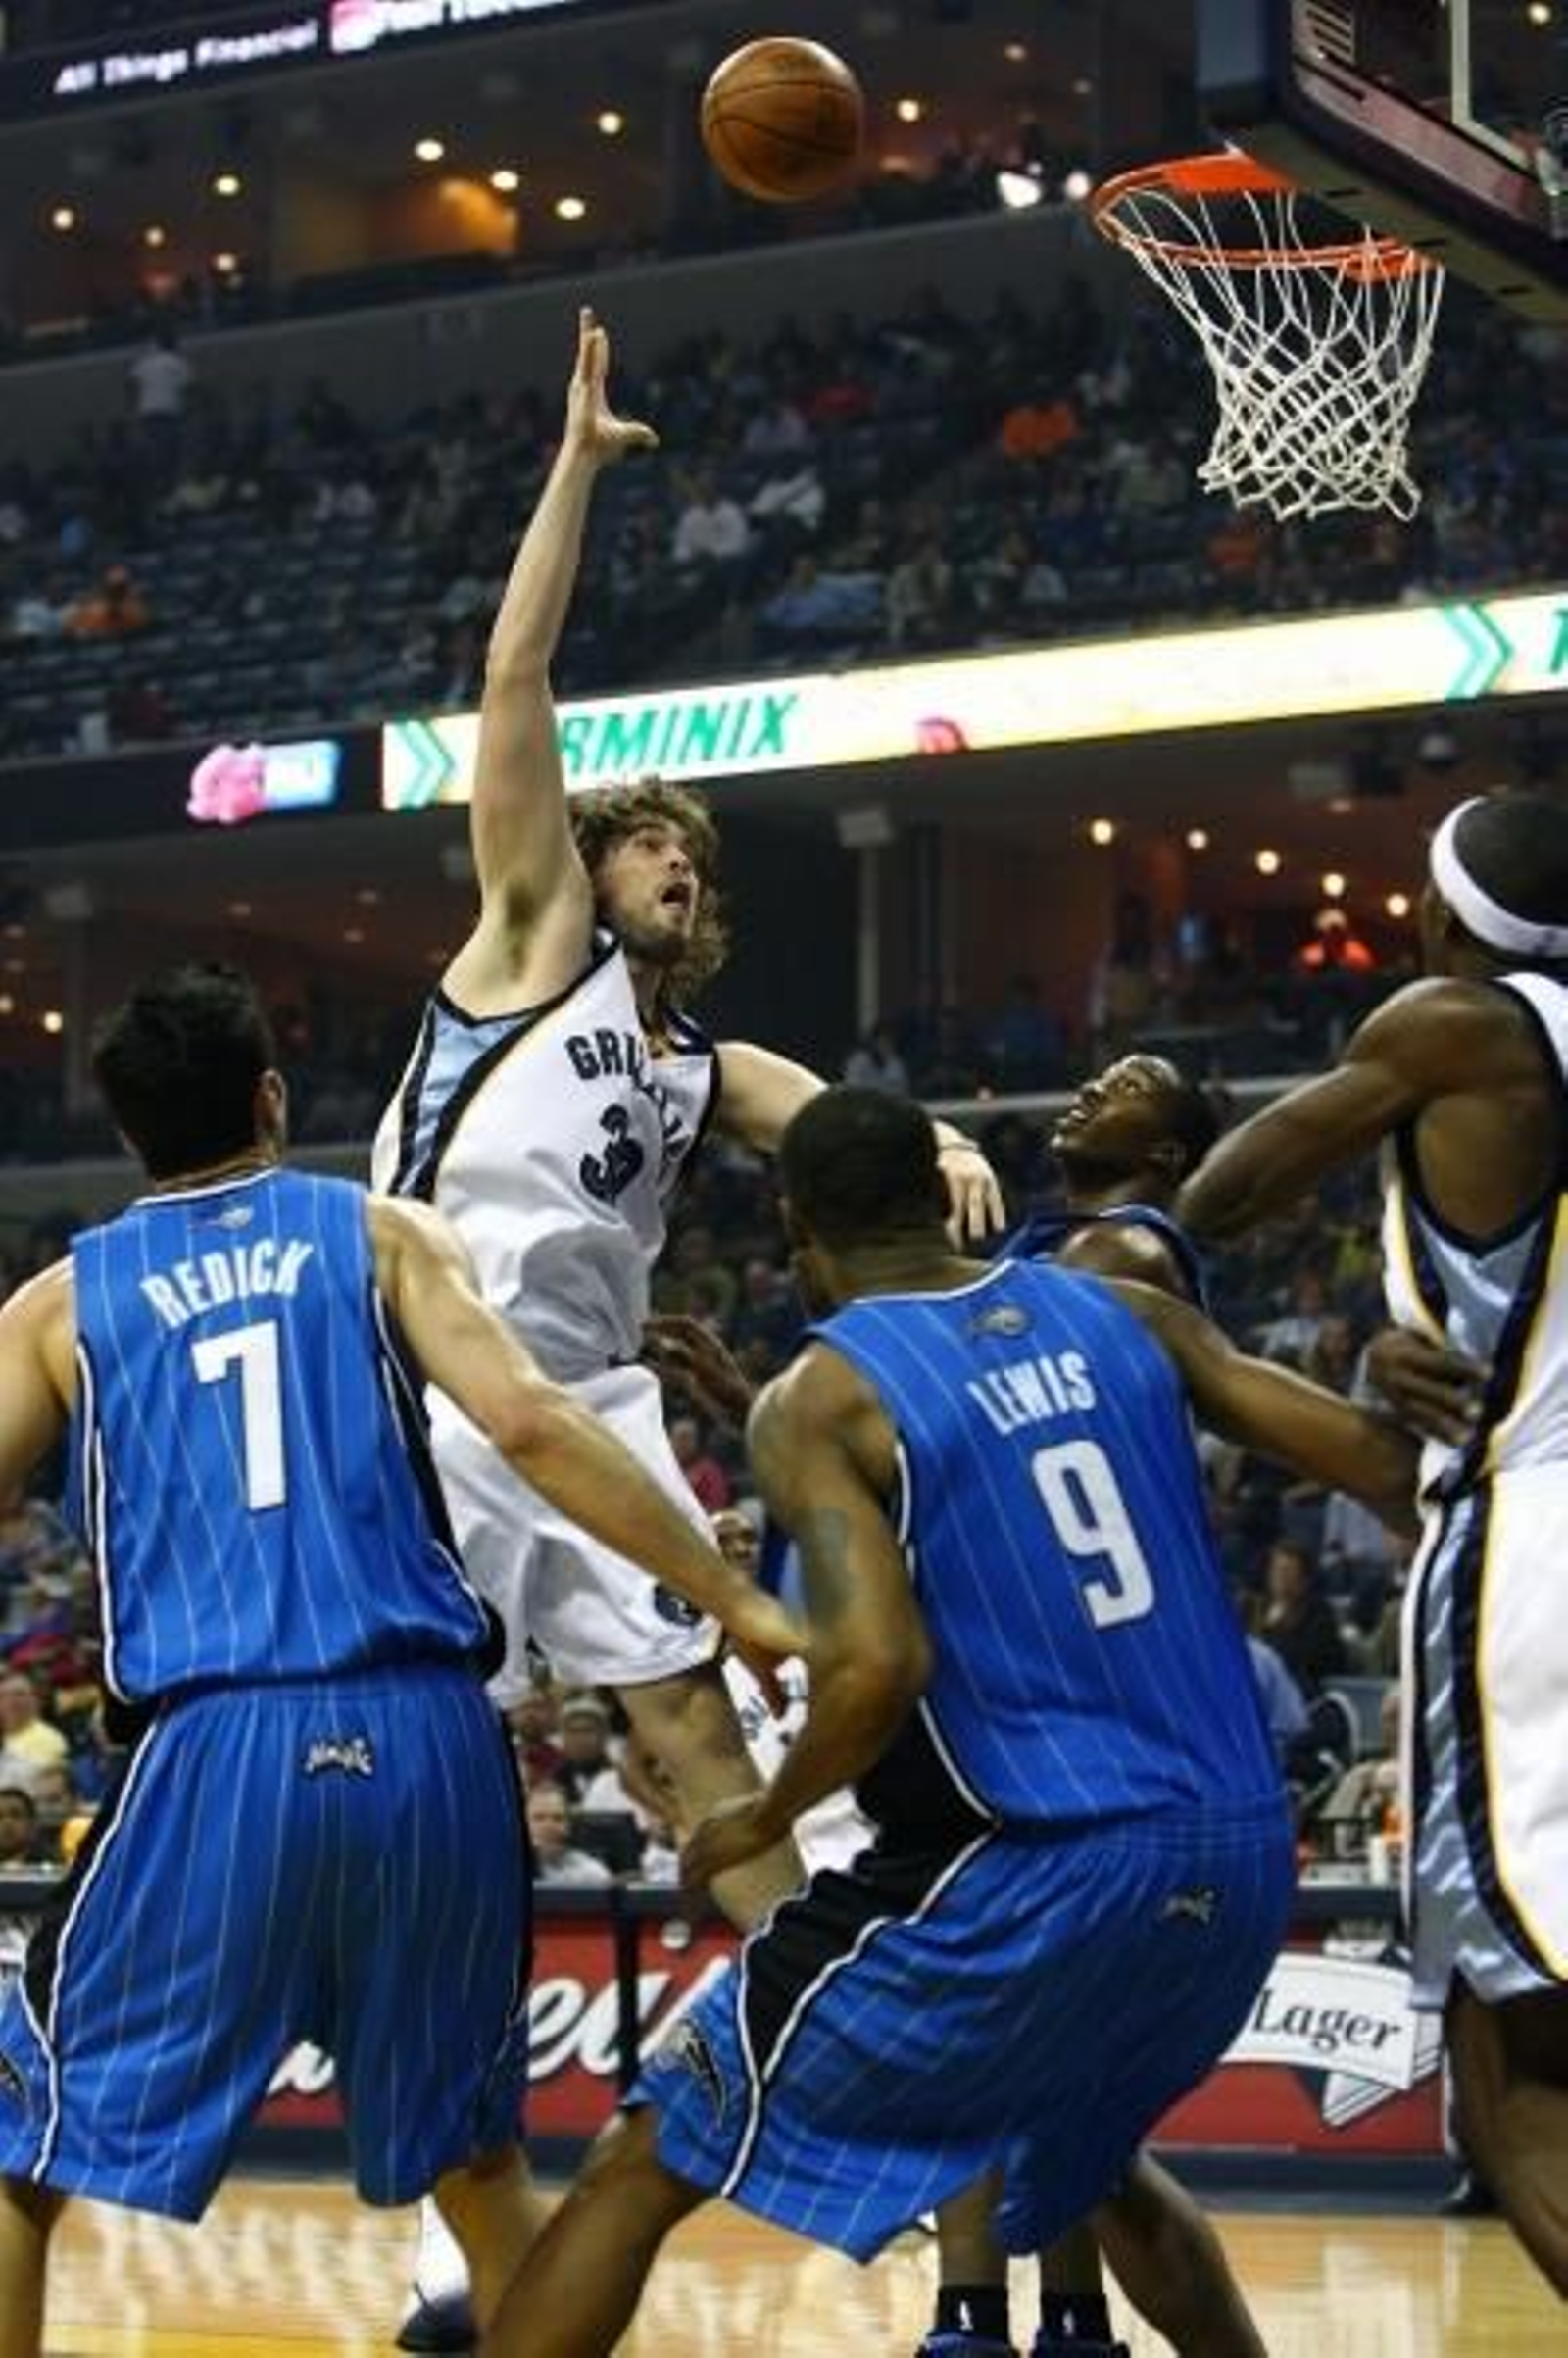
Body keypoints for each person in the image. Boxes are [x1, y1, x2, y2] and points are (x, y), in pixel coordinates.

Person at [377, 311, 1001, 2352]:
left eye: (684, 852)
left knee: (690, 1753)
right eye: (647, 834)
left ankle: (875, 2125)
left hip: (593, 1413)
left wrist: (949, 1165)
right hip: (427, 1387)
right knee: (407, 1779)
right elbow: (509, 679)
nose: (666, 859)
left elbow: (823, 1123)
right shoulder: (525, 944)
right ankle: (449, 2219)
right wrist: (573, 467)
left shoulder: (691, 1055)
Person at [487, 1087, 1420, 2358]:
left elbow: (876, 1665)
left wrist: (757, 1810)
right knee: (1090, 2159)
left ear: (792, 1220)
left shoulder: (822, 1397)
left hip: (1037, 1866)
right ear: (943, 1198)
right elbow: (1382, 1459)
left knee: (642, 2156)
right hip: (1241, 1861)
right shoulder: (1126, 1313)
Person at [0, 963, 793, 2358]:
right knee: (479, 2166)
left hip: (220, 1741)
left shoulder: (59, 1306)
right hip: (431, 1734)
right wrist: (728, 1589)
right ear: (270, 1097)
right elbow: (538, 1427)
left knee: (18, 2142)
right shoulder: (382, 1234)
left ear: (128, 1134)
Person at [1177, 790, 1568, 2298]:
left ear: (1443, 916)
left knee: (1509, 2052)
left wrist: (1369, 1326)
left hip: (1529, 1554)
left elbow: (1224, 1193)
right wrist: (1389, 1333)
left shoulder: (1450, 1025)